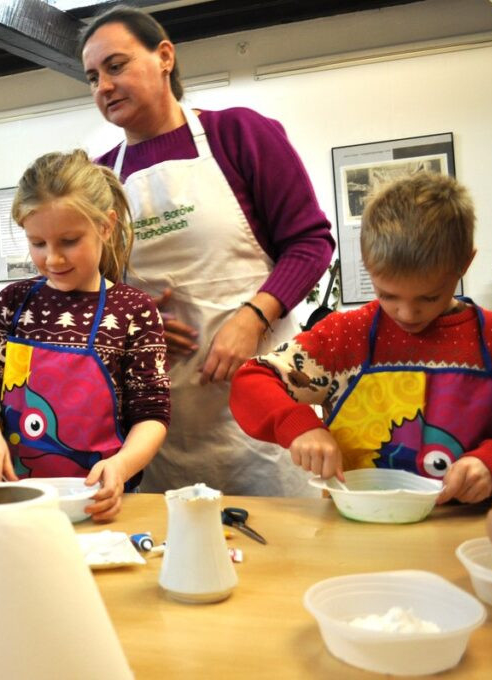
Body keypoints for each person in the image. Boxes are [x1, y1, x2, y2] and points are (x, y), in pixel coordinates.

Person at [80, 6, 335, 496]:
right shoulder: (100, 179)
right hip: (164, 416)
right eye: (92, 78)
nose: (104, 87)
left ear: (165, 57)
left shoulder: (239, 135)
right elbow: (90, 293)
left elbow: (310, 242)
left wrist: (252, 318)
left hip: (261, 390)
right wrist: (134, 324)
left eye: (115, 66)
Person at [230, 173, 492, 505]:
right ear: (367, 265)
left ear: (465, 263)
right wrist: (299, 425)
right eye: (388, 295)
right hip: (357, 522)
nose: (407, 313)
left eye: (429, 297)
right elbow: (252, 379)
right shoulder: (347, 335)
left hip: (463, 524)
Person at [0, 150, 170, 521]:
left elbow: (152, 415)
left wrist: (121, 465)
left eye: (69, 241)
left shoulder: (132, 309)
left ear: (105, 226)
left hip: (101, 500)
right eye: (38, 243)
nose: (53, 259)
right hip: (19, 501)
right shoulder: (13, 302)